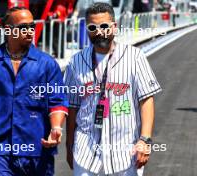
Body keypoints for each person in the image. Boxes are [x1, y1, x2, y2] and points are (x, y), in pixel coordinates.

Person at [0, 7, 68, 176]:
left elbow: (58, 102)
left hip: (38, 151)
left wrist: (56, 128)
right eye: (23, 27)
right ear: (8, 30)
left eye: (32, 26)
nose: (30, 31)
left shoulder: (47, 64)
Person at [64, 2, 162, 176]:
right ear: (87, 29)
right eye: (93, 27)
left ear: (114, 27)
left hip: (125, 155)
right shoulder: (75, 62)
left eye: (104, 26)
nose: (99, 31)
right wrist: (69, 145)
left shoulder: (135, 57)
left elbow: (146, 100)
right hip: (85, 153)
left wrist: (145, 139)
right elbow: (72, 107)